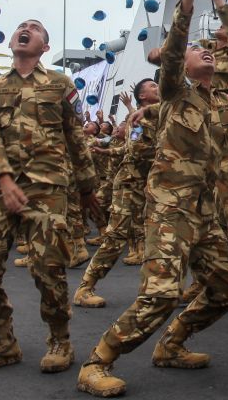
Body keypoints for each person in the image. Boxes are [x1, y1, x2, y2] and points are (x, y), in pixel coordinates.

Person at [77, 0, 228, 397]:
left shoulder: (221, 106)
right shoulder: (174, 93)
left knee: (225, 287)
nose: (207, 52)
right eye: (201, 51)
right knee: (161, 293)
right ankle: (97, 361)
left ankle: (171, 344)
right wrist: (188, 0)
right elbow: (177, 45)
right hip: (168, 207)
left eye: (211, 51)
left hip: (203, 212)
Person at [0, 18, 101, 374]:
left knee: (48, 268)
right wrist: (4, 179)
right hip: (1, 189)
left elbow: (76, 138)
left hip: (48, 188)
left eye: (36, 28)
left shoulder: (60, 84)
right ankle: (3, 343)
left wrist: (88, 189)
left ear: (44, 46)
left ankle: (60, 340)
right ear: (12, 41)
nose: (25, 29)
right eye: (21, 26)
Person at [73, 84, 159, 309]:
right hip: (131, 183)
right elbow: (136, 149)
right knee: (116, 236)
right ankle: (85, 288)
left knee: (160, 234)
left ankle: (157, 288)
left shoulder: (165, 115)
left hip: (154, 184)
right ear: (142, 96)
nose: (158, 87)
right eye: (153, 86)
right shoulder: (138, 120)